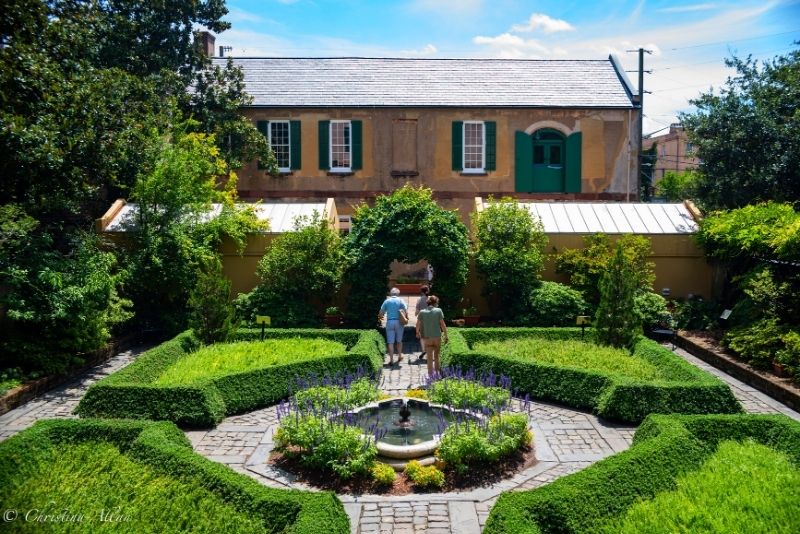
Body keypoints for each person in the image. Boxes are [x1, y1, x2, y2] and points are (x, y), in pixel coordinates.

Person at [416, 295, 448, 376]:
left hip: (427, 337)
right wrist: (446, 335)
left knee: (429, 358)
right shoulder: (438, 311)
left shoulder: (422, 312)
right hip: (437, 336)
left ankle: (430, 376)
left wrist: (417, 333)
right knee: (436, 357)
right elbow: (442, 325)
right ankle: (437, 375)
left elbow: (418, 324)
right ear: (435, 303)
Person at [379, 287, 407, 366]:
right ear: (398, 294)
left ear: (391, 294)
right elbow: (405, 311)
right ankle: (399, 356)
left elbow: (381, 313)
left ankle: (391, 360)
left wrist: (380, 318)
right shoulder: (401, 300)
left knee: (390, 342)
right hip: (399, 322)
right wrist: (406, 317)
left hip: (390, 322)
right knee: (399, 340)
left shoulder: (387, 301)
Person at [415, 285, 430, 361]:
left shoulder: (419, 300)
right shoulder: (432, 299)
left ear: (421, 292)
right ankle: (429, 354)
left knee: (423, 337)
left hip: (422, 321)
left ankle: (424, 350)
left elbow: (416, 312)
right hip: (431, 320)